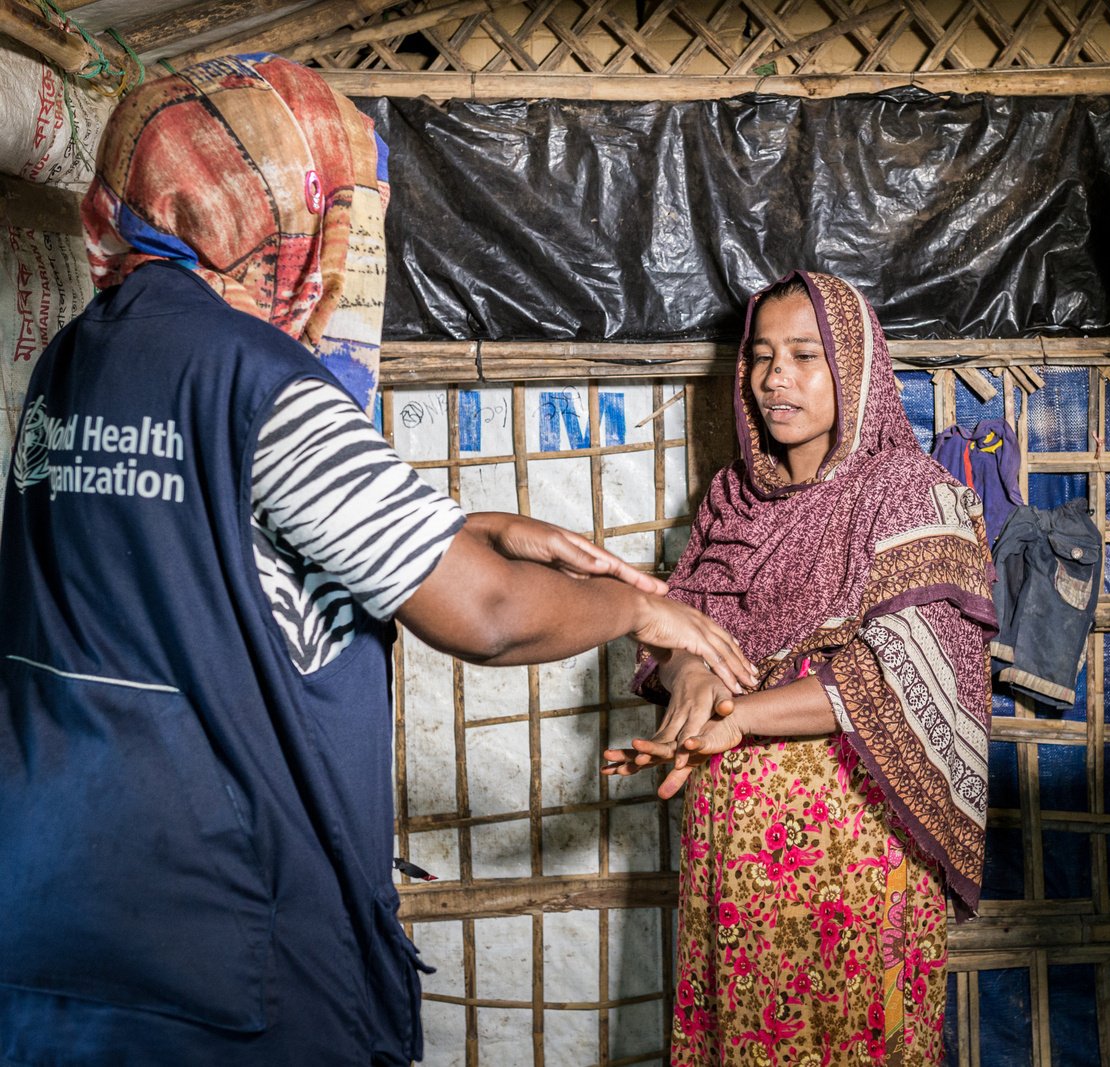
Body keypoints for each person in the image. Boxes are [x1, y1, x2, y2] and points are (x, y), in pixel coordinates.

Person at [0, 55, 755, 1066]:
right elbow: (487, 614)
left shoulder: (77, 357)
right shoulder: (257, 376)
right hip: (220, 928)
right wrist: (635, 609)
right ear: (273, 213)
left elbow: (210, 547)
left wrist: (469, 523)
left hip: (58, 899)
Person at [603, 271, 997, 1064]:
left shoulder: (911, 494)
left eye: (805, 355)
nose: (774, 377)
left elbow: (906, 670)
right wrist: (691, 677)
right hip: (733, 851)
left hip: (856, 844)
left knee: (853, 1036)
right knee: (747, 1036)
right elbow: (676, 626)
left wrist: (739, 715)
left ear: (854, 365)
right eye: (761, 355)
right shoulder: (733, 499)